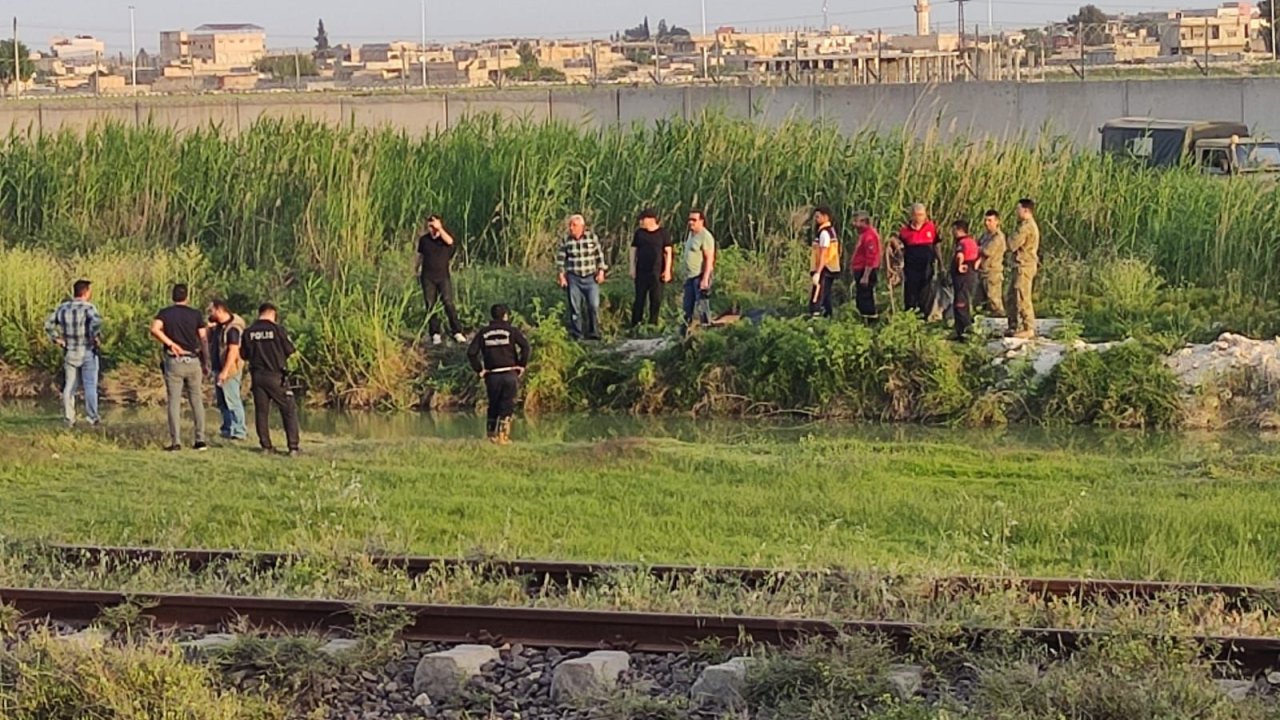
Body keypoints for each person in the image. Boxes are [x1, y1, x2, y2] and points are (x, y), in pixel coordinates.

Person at [150, 284, 208, 452]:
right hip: (192, 359)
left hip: (174, 360)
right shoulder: (196, 314)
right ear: (187, 297)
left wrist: (170, 343)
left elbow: (154, 329)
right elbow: (203, 339)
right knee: (196, 400)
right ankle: (200, 440)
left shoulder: (165, 313)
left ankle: (176, 442)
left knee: (174, 401)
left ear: (172, 297)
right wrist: (206, 361)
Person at [241, 303, 301, 456]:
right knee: (288, 409)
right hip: (276, 376)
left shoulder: (248, 332)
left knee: (261, 411)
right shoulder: (277, 330)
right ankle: (293, 447)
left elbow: (244, 355)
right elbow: (290, 350)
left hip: (257, 376)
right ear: (273, 314)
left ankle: (266, 446)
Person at [467, 304, 531, 445]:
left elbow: (471, 353)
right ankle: (503, 437)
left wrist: (479, 369)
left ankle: (491, 435)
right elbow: (525, 347)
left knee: (494, 405)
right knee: (507, 404)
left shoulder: (483, 332)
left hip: (492, 375)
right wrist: (521, 365)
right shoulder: (511, 330)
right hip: (509, 373)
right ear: (505, 315)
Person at [45, 279, 103, 427]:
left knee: (69, 385)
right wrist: (94, 336)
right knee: (90, 385)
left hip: (70, 350)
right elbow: (96, 323)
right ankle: (92, 417)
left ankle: (69, 418)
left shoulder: (62, 308)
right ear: (86, 292)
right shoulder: (89, 308)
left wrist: (57, 339)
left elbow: (48, 324)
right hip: (87, 350)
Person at [415, 214, 467, 346]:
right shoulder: (424, 240)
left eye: (434, 224)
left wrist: (440, 229)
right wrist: (416, 269)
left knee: (448, 303)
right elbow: (420, 256)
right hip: (427, 276)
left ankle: (457, 331)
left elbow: (450, 242)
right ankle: (435, 333)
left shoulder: (444, 239)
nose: (432, 227)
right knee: (430, 305)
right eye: (430, 225)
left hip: (443, 276)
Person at [555, 214, 608, 341]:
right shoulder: (566, 240)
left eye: (574, 225)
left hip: (590, 277)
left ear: (582, 227)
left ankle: (594, 332)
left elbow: (599, 256)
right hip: (574, 277)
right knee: (575, 307)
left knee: (593, 305)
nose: (571, 228)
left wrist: (601, 272)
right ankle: (577, 334)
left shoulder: (591, 238)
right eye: (570, 225)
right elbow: (561, 259)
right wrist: (561, 276)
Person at [207, 299, 247, 441]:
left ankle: (239, 431)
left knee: (232, 400)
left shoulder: (233, 329)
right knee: (222, 402)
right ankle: (227, 428)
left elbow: (233, 350)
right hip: (218, 368)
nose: (209, 314)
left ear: (219, 310)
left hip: (230, 370)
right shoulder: (219, 327)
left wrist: (225, 371)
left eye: (211, 310)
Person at [629, 209, 673, 328]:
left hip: (657, 272)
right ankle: (635, 324)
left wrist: (667, 270)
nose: (641, 222)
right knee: (639, 299)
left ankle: (653, 324)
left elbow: (668, 252)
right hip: (641, 271)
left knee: (656, 299)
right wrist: (632, 268)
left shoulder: (663, 233)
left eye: (642, 219)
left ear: (651, 219)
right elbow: (633, 250)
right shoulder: (639, 233)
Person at [1005, 198, 1041, 339]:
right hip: (1019, 265)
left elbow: (1012, 244)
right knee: (1011, 297)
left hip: (1024, 266)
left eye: (1018, 209)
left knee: (1022, 297)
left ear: (1026, 210)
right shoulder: (1024, 225)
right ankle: (1014, 325)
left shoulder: (1026, 227)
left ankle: (1028, 327)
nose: (1016, 212)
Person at [896, 203, 940, 318]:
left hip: (927, 266)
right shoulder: (905, 231)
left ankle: (924, 317)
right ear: (912, 215)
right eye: (917, 215)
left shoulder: (931, 227)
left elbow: (937, 245)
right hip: (911, 268)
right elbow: (898, 248)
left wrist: (940, 262)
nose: (920, 217)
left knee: (926, 292)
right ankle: (909, 316)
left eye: (922, 215)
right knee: (910, 292)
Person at [681, 210, 716, 334]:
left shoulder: (705, 236)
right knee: (687, 306)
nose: (691, 222)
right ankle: (684, 332)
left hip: (700, 276)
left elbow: (709, 258)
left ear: (701, 221)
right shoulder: (691, 234)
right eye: (689, 220)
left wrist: (705, 278)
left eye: (694, 220)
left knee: (702, 305)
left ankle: (706, 331)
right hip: (690, 276)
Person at [808, 206, 841, 318]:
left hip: (825, 269)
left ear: (826, 217)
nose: (816, 219)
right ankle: (828, 317)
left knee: (818, 295)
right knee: (826, 296)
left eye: (818, 216)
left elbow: (824, 254)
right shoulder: (830, 231)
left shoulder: (824, 233)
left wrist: (818, 272)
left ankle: (815, 319)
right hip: (830, 268)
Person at [848, 212, 882, 322]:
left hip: (865, 270)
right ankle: (863, 319)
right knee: (861, 297)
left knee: (866, 297)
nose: (853, 224)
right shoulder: (864, 235)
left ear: (864, 222)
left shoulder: (869, 236)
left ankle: (870, 320)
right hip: (860, 269)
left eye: (856, 221)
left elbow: (871, 257)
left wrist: (866, 275)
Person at [950, 220, 981, 340]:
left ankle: (965, 332)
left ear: (958, 229)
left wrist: (959, 265)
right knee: (965, 301)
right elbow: (979, 257)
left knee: (960, 304)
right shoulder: (973, 241)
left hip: (963, 276)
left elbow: (960, 255)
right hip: (971, 274)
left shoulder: (962, 242)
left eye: (953, 230)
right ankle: (961, 331)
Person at [976, 209, 1007, 317]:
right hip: (982, 271)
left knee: (994, 300)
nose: (986, 223)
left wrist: (977, 248)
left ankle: (1001, 321)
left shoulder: (998, 237)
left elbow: (987, 251)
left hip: (993, 272)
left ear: (997, 221)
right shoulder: (985, 235)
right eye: (985, 220)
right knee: (980, 301)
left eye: (989, 220)